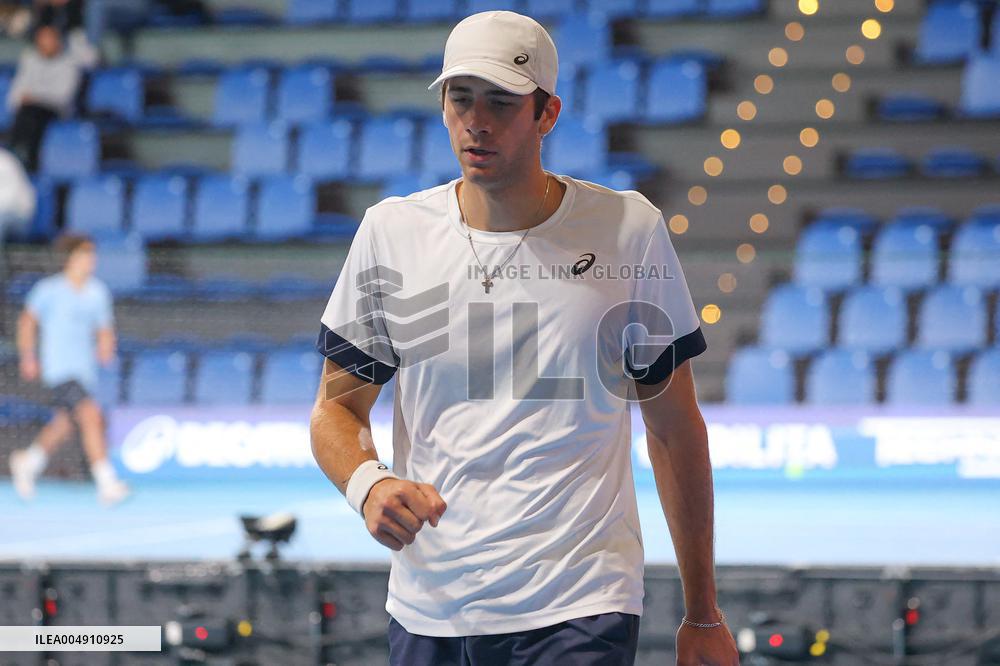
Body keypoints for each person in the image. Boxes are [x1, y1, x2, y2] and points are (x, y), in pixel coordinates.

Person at [310, 10, 739, 666]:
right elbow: (336, 410)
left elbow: (674, 429)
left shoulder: (627, 231)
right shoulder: (390, 234)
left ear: (547, 114)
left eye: (501, 103)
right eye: (460, 99)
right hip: (431, 605)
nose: (476, 122)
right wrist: (368, 483)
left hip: (582, 602)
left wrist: (703, 614)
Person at [9, 233, 129, 506]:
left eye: (93, 254)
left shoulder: (98, 292)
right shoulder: (48, 290)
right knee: (90, 415)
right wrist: (28, 355)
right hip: (59, 368)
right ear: (70, 258)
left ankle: (28, 461)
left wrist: (105, 346)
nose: (91, 260)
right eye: (85, 254)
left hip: (84, 370)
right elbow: (27, 322)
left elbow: (104, 329)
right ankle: (106, 481)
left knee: (64, 424)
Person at [5, 24, 82, 171]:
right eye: (41, 38)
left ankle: (24, 159)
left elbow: (63, 96)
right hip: (28, 111)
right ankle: (17, 155)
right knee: (27, 113)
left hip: (54, 112)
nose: (45, 42)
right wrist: (29, 99)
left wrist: (35, 97)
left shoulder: (69, 63)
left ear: (57, 40)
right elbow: (15, 94)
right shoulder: (29, 60)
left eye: (49, 38)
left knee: (32, 114)